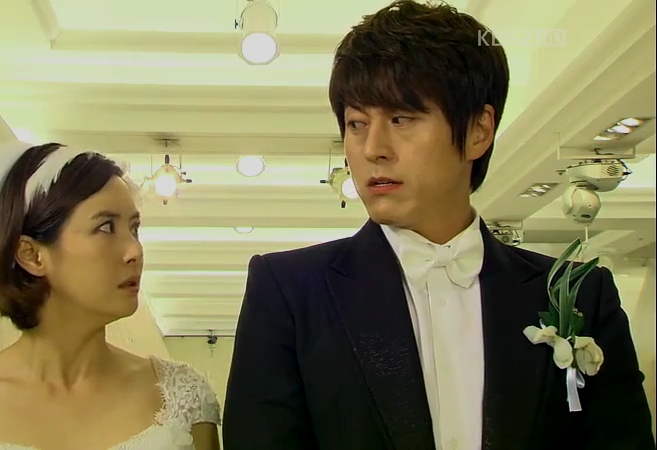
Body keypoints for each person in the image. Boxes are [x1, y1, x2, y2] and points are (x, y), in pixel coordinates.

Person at [222, 1, 654, 449]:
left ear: (478, 131)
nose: (373, 148)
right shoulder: (290, 292)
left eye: (401, 118)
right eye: (356, 123)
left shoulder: (579, 295)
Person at [0, 142, 221, 450]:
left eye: (134, 228)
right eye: (105, 227)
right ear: (32, 255)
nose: (134, 251)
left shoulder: (184, 402)